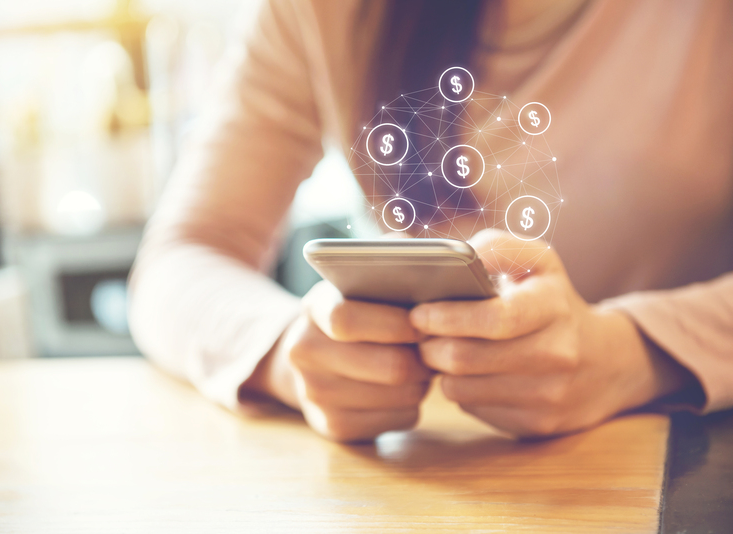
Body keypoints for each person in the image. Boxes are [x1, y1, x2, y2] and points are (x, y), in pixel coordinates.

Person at [128, 0, 733, 442]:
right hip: (432, 474)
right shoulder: (319, 13)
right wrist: (287, 353)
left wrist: (633, 355)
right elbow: (181, 258)